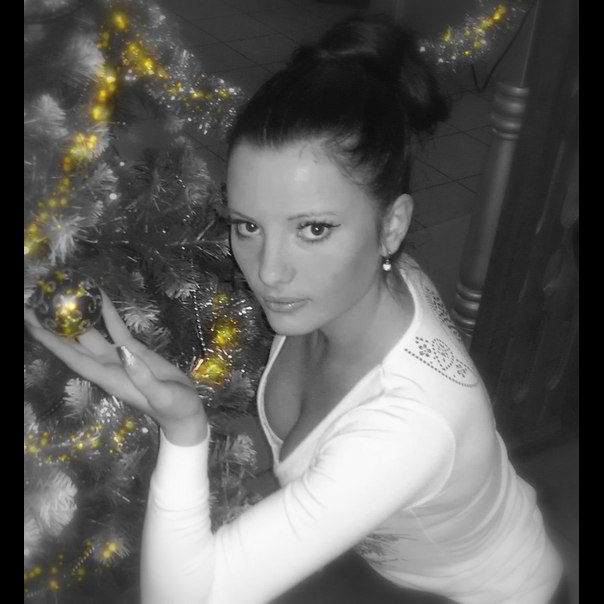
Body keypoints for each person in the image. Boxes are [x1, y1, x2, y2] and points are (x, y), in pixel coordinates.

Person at [25, 15, 567, 604]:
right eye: (248, 225)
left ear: (391, 227)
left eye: (313, 229)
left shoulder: (406, 426)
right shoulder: (351, 290)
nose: (269, 271)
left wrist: (184, 430)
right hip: (390, 568)